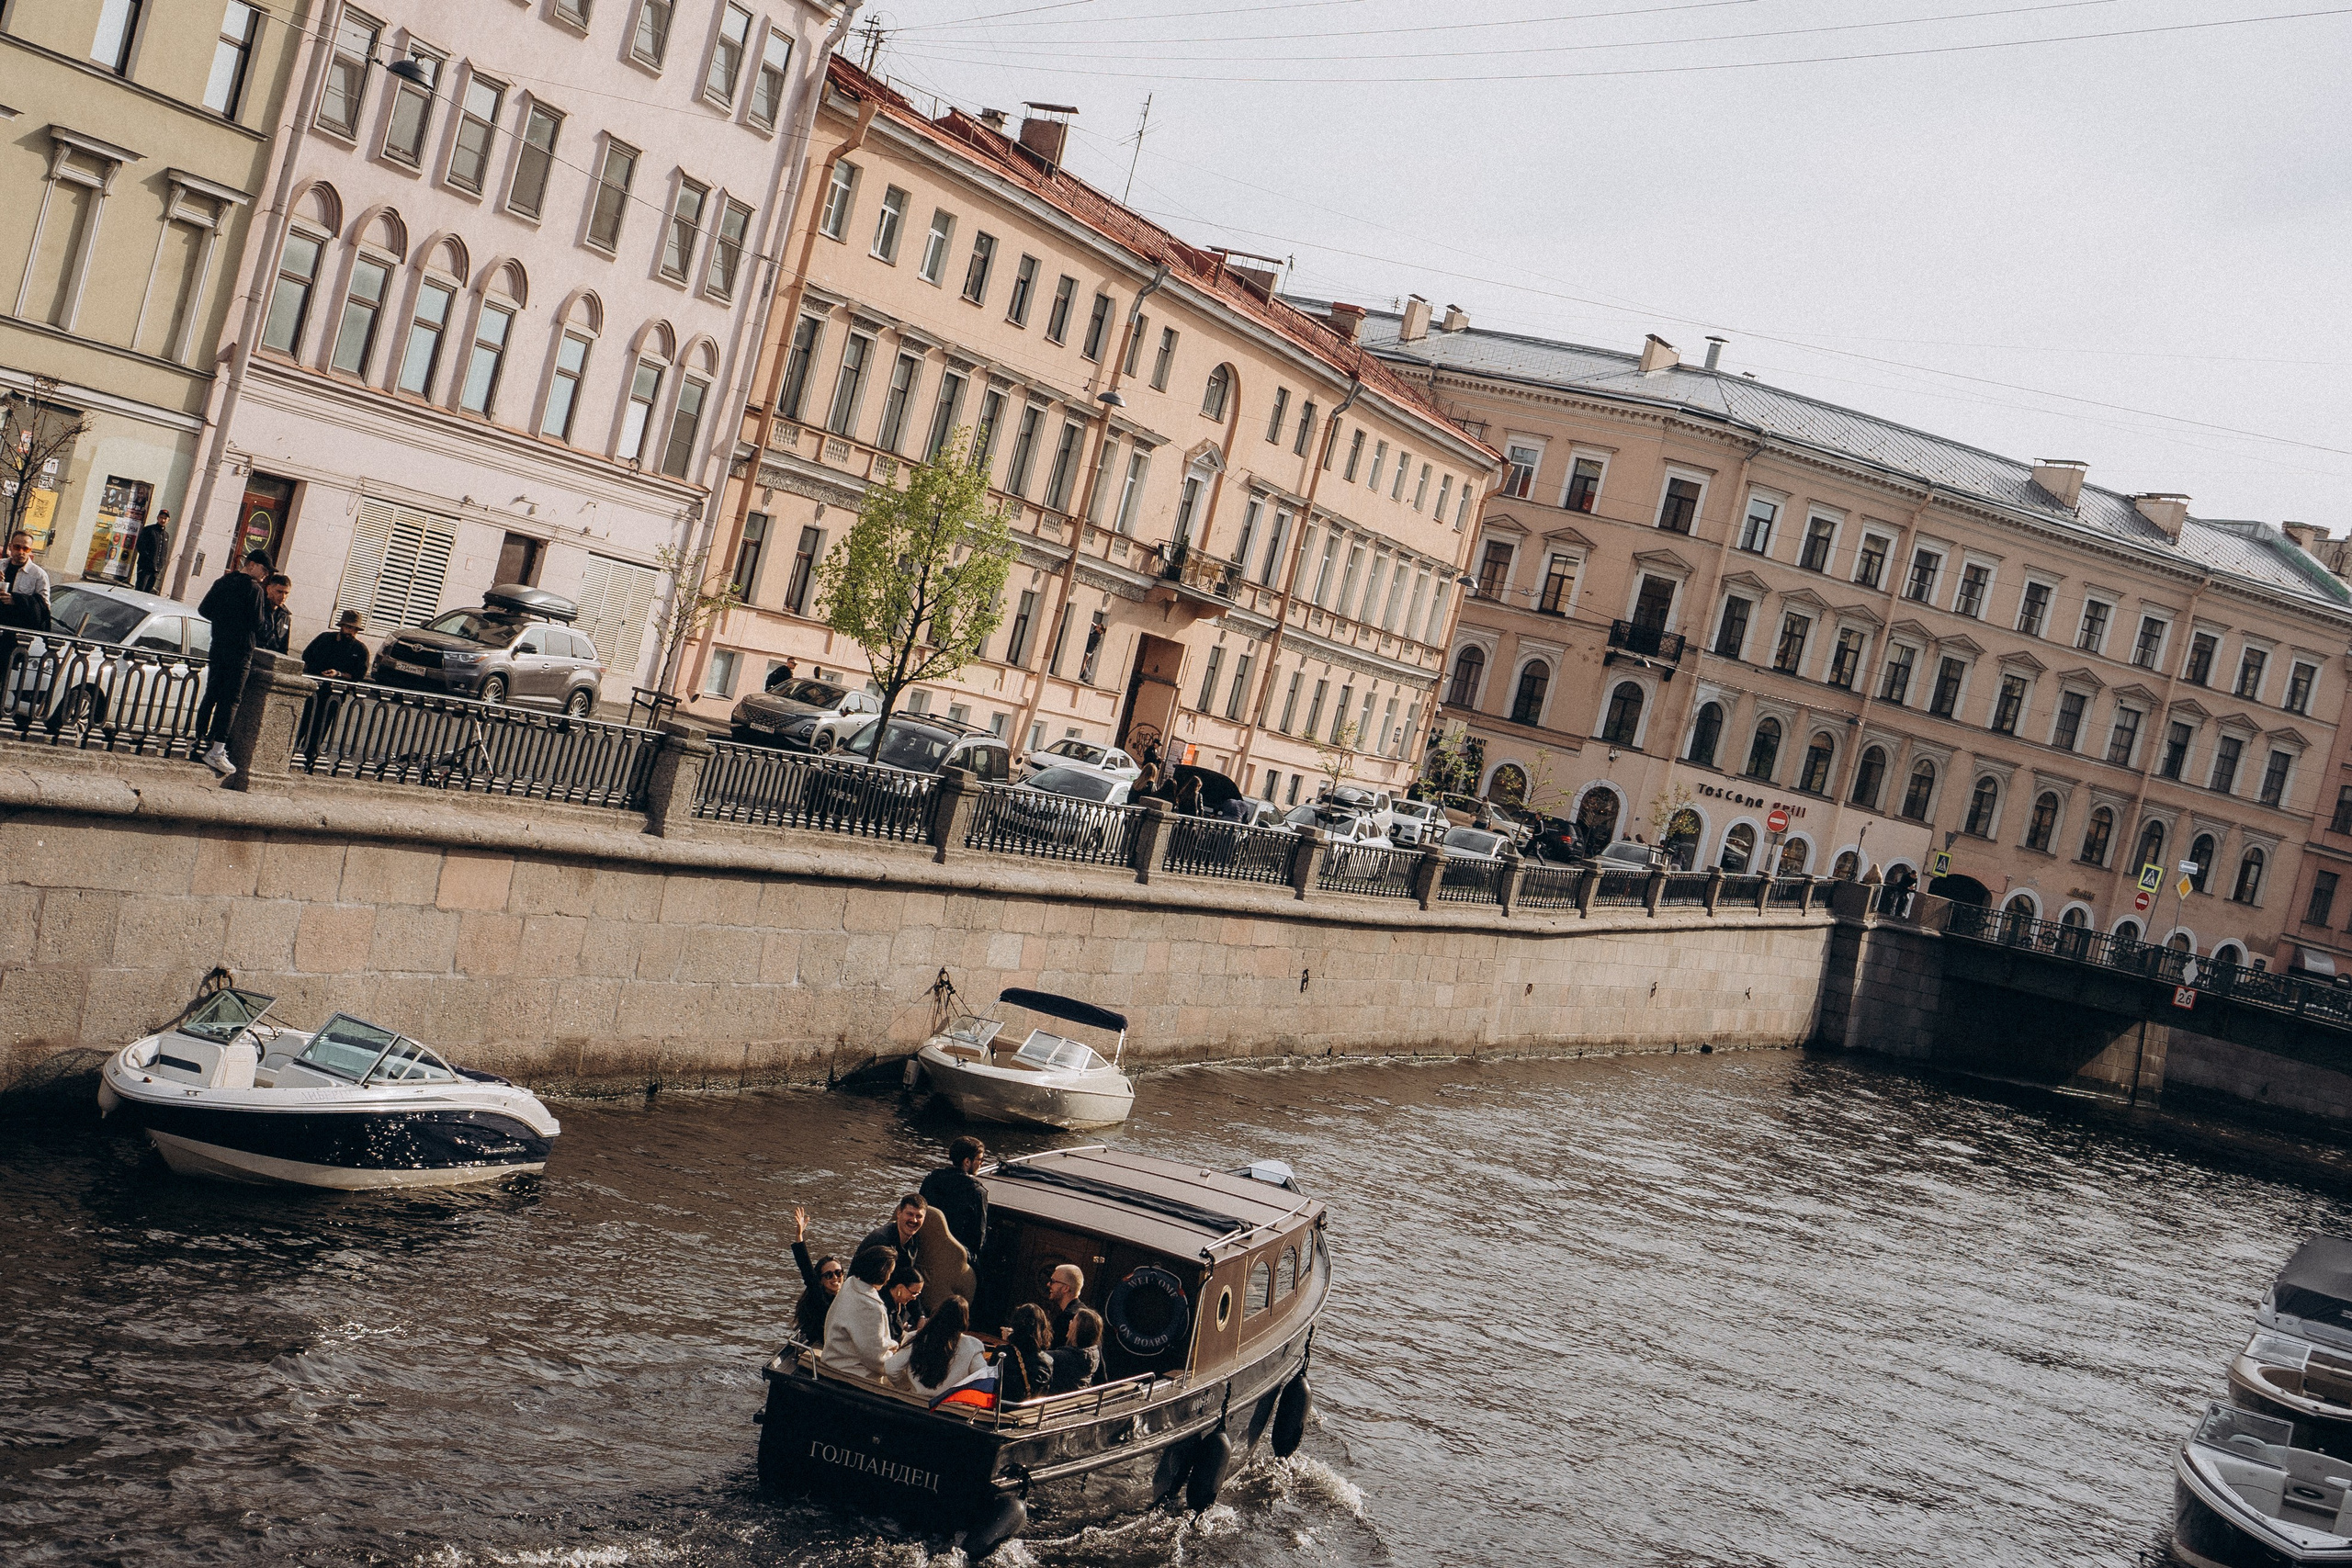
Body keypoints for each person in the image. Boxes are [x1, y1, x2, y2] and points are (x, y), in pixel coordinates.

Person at [193, 548, 271, 778]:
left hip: (218, 645)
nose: (266, 575)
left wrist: (224, 622)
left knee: (212, 694)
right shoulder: (254, 589)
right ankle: (217, 750)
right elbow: (258, 624)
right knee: (231, 700)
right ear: (252, 565)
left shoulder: (223, 582)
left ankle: (199, 740)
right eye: (264, 569)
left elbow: (204, 609)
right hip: (240, 650)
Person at [884, 1294, 988, 1403]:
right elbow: (983, 1379)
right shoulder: (972, 1345)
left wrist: (906, 1387)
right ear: (964, 1319)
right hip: (949, 1406)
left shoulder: (916, 1337)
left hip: (915, 1402)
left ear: (938, 1313)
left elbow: (891, 1368)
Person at [820, 1245, 900, 1380]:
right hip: (854, 1372)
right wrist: (895, 1351)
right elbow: (875, 1359)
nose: (889, 1278)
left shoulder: (850, 1283)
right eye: (890, 1273)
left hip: (835, 1359)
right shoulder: (872, 1307)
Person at [0, 530, 53, 687]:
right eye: (17, 547)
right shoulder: (1, 565)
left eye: (26, 549)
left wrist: (17, 600)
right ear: (11, 547)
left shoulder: (38, 575)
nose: (21, 552)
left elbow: (44, 609)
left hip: (13, 638)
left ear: (31, 550)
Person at [920, 1136, 988, 1254]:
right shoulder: (977, 1192)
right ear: (967, 1161)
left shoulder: (931, 1179)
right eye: (980, 1159)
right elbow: (978, 1237)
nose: (981, 1163)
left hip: (925, 1245)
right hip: (954, 1254)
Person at [788, 1205, 844, 1348]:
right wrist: (799, 1237)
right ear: (821, 1280)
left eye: (838, 1273)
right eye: (829, 1275)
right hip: (824, 1343)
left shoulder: (848, 1295)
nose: (835, 1277)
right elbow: (807, 1270)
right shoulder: (819, 1297)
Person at [859, 1193, 929, 1287]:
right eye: (909, 1214)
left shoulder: (915, 1239)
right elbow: (872, 1284)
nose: (914, 1220)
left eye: (919, 1216)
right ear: (899, 1214)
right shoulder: (881, 1241)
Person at [997, 1303, 1055, 1404]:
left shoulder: (1003, 1353)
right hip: (1030, 1411)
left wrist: (1008, 1342)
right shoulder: (1048, 1361)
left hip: (1002, 1408)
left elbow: (991, 1383)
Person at [1047, 1306, 1103, 1393]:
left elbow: (1038, 1357)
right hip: (1080, 1395)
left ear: (1078, 1329)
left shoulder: (1064, 1357)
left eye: (1073, 1320)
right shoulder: (1093, 1353)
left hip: (1064, 1399)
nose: (1070, 1322)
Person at [301, 609, 369, 682]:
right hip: (313, 680)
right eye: (348, 627)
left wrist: (339, 674)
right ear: (341, 626)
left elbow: (359, 675)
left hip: (339, 685)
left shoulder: (360, 649)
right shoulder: (324, 638)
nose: (351, 631)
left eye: (355, 629)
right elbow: (306, 657)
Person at [1045, 1263, 1085, 1347]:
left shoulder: (1068, 1318)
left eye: (1053, 1281)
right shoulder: (1085, 1314)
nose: (1048, 1284)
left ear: (1066, 1288)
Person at [885, 1262, 926, 1341]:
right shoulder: (884, 1307)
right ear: (900, 1287)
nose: (914, 1298)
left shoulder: (901, 1305)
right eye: (914, 1293)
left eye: (918, 1294)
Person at [135, 509, 170, 593]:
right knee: (140, 589)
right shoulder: (149, 530)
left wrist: (162, 563)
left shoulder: (166, 535)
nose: (163, 520)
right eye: (161, 517)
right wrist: (147, 559)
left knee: (148, 590)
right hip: (145, 567)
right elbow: (140, 546)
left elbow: (164, 551)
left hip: (156, 569)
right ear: (158, 518)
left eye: (165, 518)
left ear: (168, 520)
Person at [258, 573, 292, 655]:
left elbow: (284, 648)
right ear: (269, 589)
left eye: (286, 593)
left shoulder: (285, 617)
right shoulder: (258, 608)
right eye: (279, 592)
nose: (283, 597)